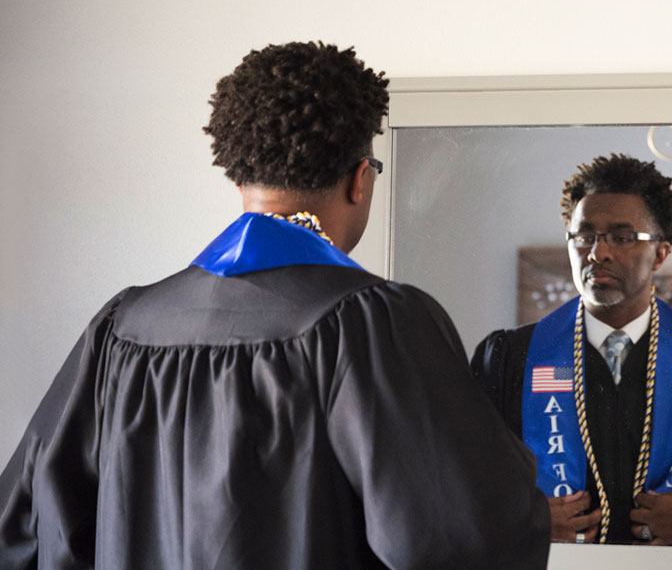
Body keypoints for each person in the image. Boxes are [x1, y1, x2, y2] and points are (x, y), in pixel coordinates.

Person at [0, 42, 549, 569]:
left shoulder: (123, 327)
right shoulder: (373, 324)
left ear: (238, 177)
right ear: (360, 180)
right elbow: (461, 540)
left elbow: (26, 525)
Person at [471, 154, 672, 548]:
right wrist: (525, 520)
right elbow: (452, 478)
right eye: (584, 236)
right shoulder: (511, 359)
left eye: (622, 236)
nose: (598, 253)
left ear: (661, 253)